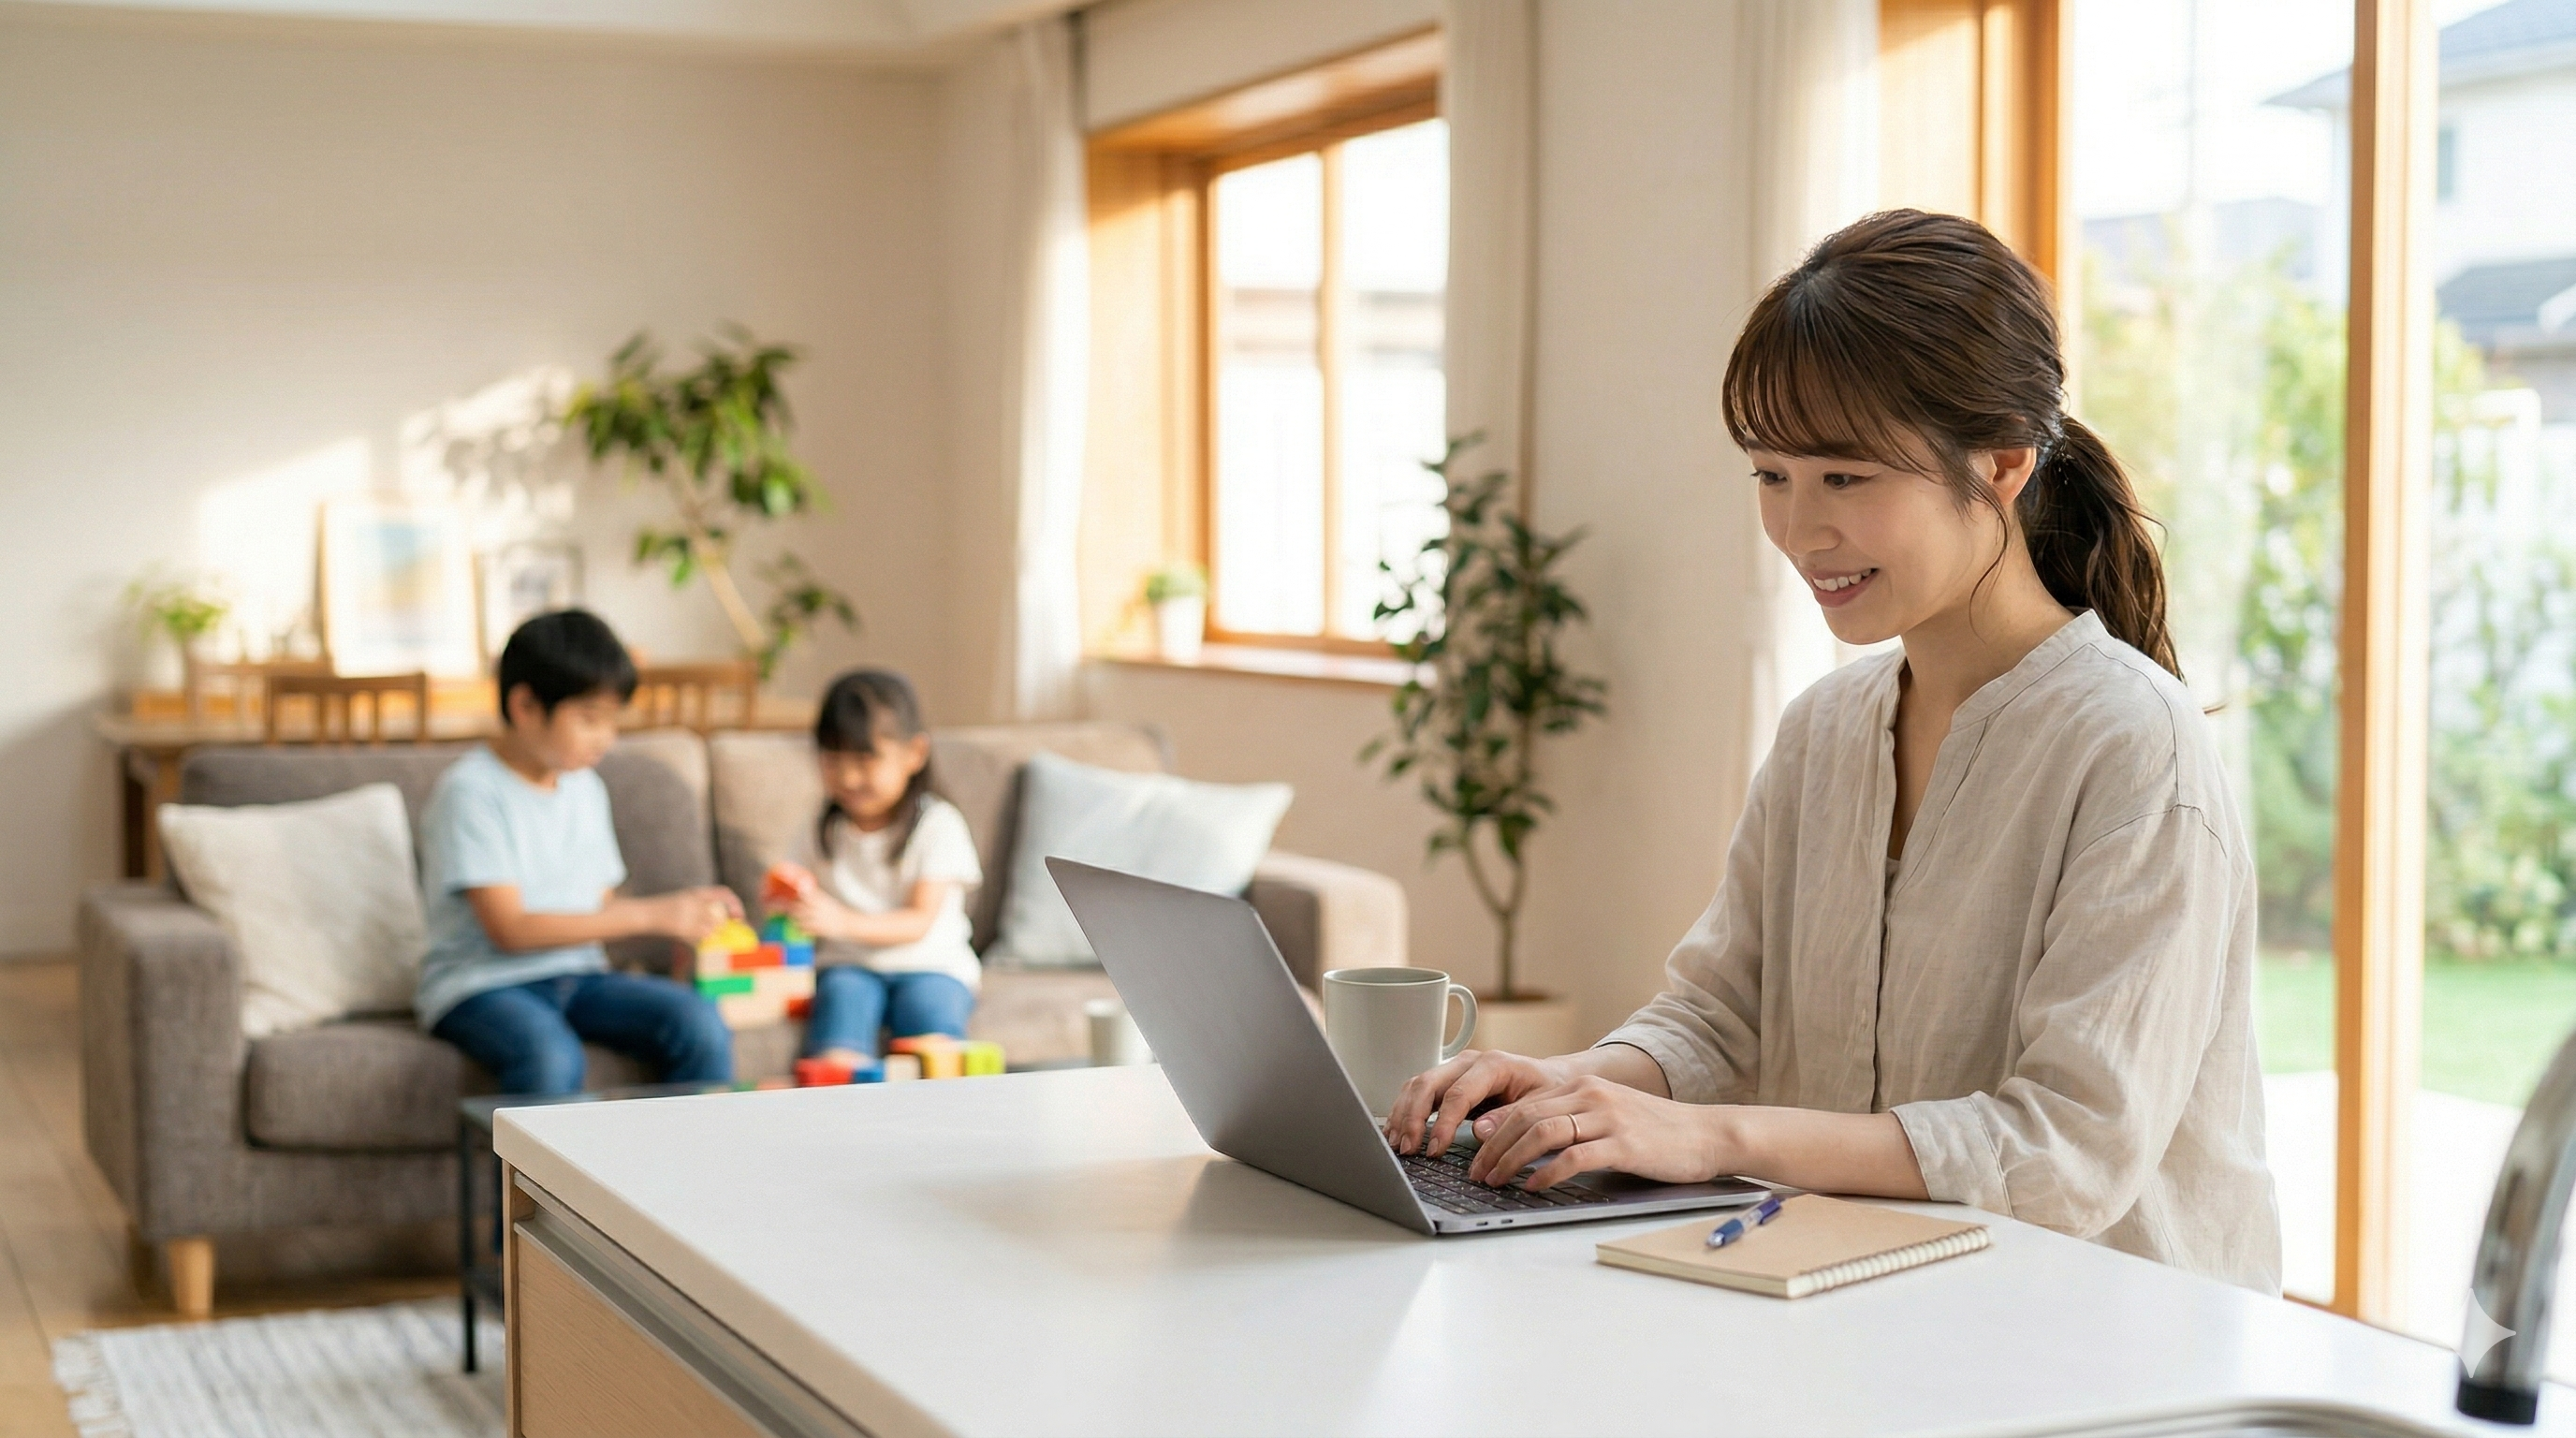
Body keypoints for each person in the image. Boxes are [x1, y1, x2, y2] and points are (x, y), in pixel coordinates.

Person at [1384, 209, 2281, 1294]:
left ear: (2001, 464)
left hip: (2104, 1344)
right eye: (1771, 476)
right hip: (1863, 1302)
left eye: (1845, 480)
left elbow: (2064, 1154)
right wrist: (1570, 1084)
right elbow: (1721, 1014)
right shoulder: (1828, 727)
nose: (1800, 532)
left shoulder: (2133, 746)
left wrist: (1713, 1140)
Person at [419, 609, 740, 1095]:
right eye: (589, 719)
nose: (606, 739)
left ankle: (686, 1172)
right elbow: (510, 929)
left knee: (696, 1021)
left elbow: (600, 909)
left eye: (613, 721)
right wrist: (652, 914)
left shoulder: (584, 787)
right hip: (481, 985)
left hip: (579, 975)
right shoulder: (471, 792)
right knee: (550, 1055)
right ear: (525, 704)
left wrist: (683, 914)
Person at [767, 669, 983, 1073]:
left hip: (930, 964)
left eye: (866, 760)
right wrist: (786, 899)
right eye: (833, 761)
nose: (848, 778)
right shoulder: (821, 828)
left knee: (934, 1038)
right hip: (850, 966)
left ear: (914, 754)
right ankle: (842, 1111)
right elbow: (793, 884)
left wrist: (840, 921)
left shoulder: (937, 824)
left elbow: (918, 921)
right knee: (838, 1027)